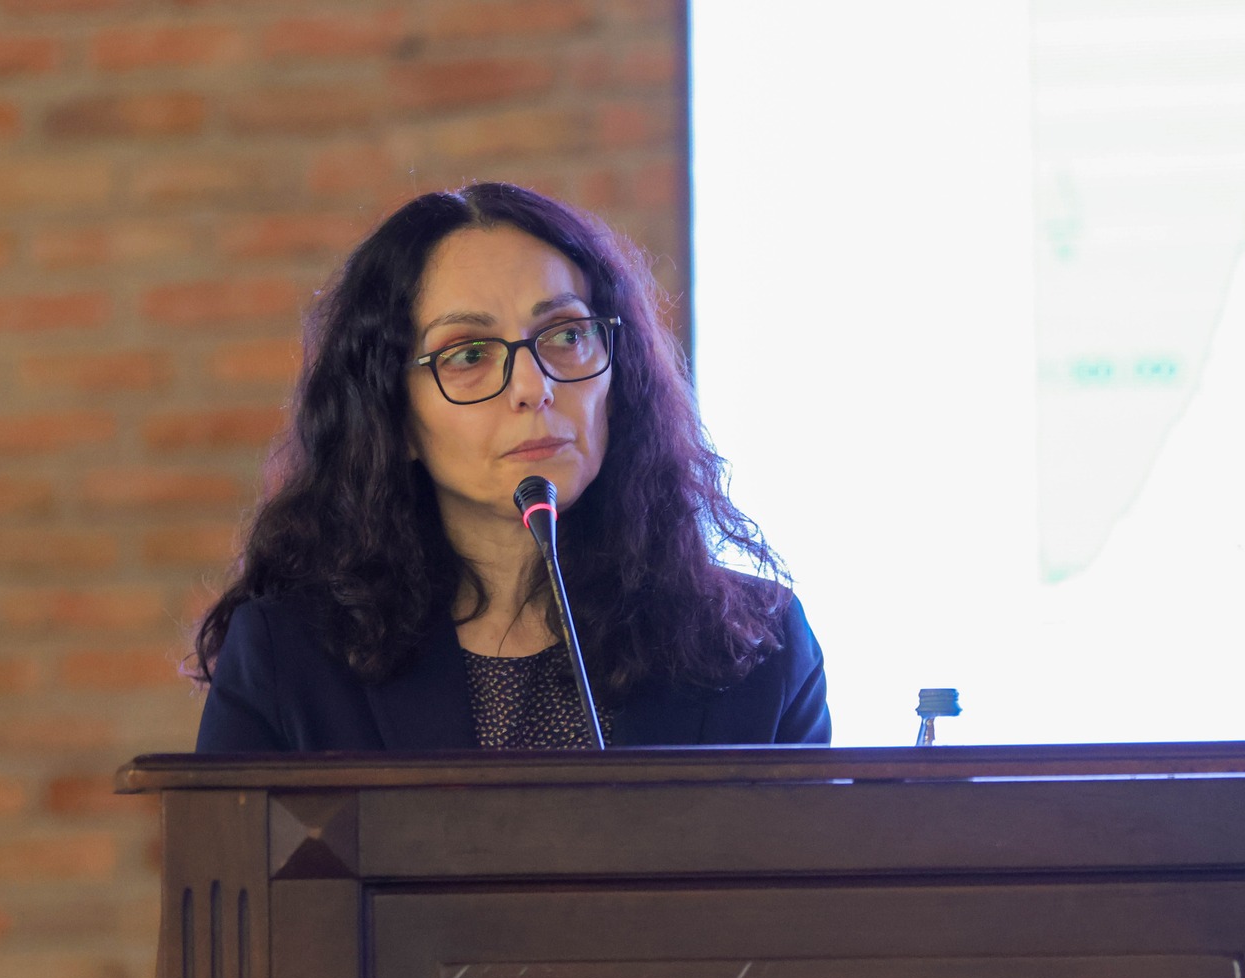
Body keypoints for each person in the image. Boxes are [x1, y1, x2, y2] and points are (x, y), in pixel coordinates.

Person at [191, 182, 829, 752]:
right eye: (469, 353)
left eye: (567, 335)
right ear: (394, 417)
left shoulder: (761, 651)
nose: (533, 387)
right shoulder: (288, 659)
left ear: (620, 380)